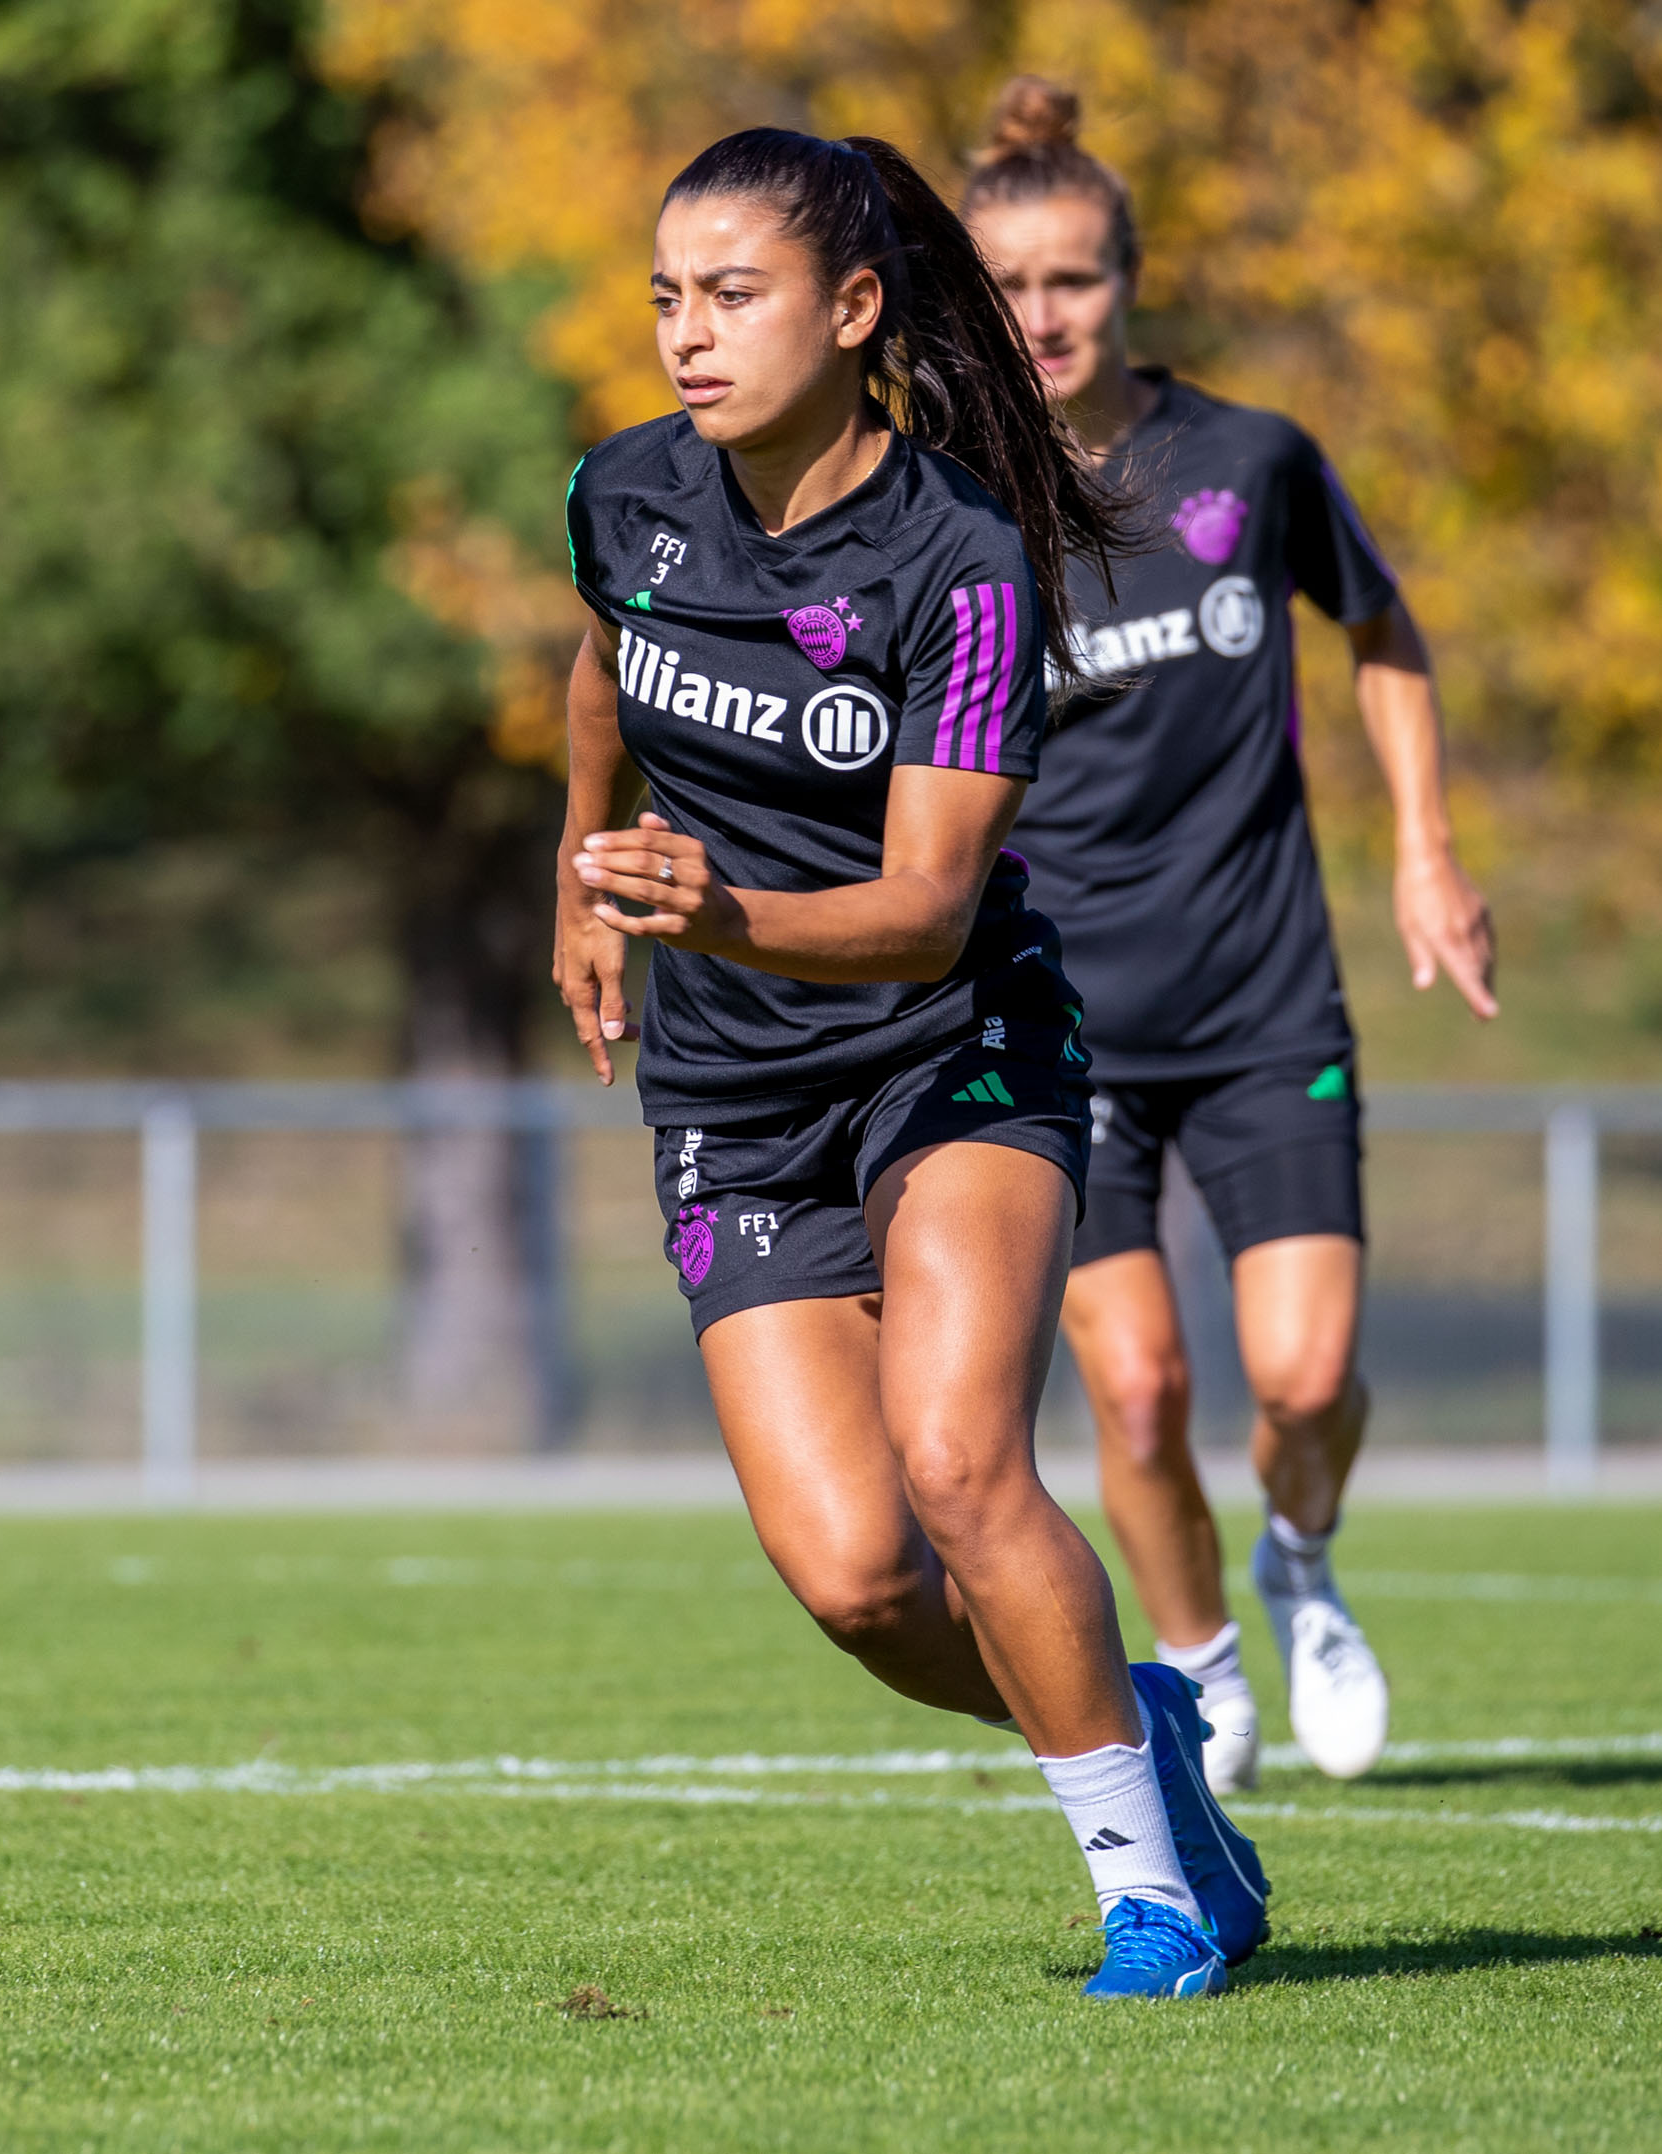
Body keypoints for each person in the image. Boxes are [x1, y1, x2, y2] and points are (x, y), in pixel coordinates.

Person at [553, 126, 1266, 1999]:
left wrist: (712, 914)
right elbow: (598, 664)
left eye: (729, 297)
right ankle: (1136, 1722)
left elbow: (932, 906)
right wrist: (579, 871)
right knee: (857, 1577)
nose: (682, 338)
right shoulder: (626, 495)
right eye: (662, 299)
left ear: (853, 309)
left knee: (959, 1461)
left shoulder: (959, 561)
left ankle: (1148, 1889)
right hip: (730, 1098)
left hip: (951, 1047)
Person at [961, 81, 1500, 1789]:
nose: (1041, 316)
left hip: (1264, 992)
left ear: (1126, 279)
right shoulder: (952, 505)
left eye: (1071, 280)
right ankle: (1202, 1666)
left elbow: (1381, 625)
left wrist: (1422, 848)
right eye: (1008, 288)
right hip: (1057, 1018)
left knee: (1304, 1372)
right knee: (1132, 1392)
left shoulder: (1246, 459)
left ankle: (1303, 1564)